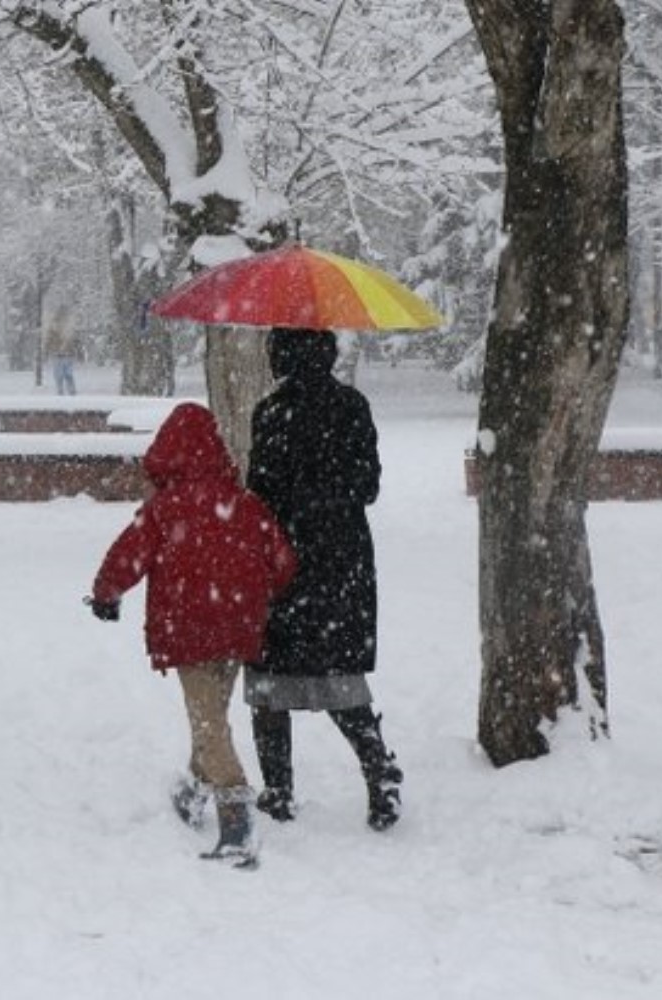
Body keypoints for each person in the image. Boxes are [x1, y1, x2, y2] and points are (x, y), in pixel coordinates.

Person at [89, 402, 297, 867]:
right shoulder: (245, 504)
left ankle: (237, 821)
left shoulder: (164, 509)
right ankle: (192, 791)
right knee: (212, 719)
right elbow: (282, 562)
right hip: (239, 627)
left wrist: (106, 594)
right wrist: (251, 593)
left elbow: (128, 556)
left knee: (208, 724)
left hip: (188, 630)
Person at [245, 327, 404, 831]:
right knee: (339, 674)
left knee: (271, 676)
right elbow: (369, 484)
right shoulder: (352, 406)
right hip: (342, 558)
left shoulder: (271, 413)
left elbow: (259, 490)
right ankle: (378, 772)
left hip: (284, 558)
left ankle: (278, 791)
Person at [46, 307, 79, 396]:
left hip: (58, 355)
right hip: (68, 355)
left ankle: (60, 394)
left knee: (59, 377)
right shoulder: (69, 327)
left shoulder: (53, 327)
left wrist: (48, 350)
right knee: (69, 376)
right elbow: (74, 341)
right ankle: (72, 393)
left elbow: (49, 341)